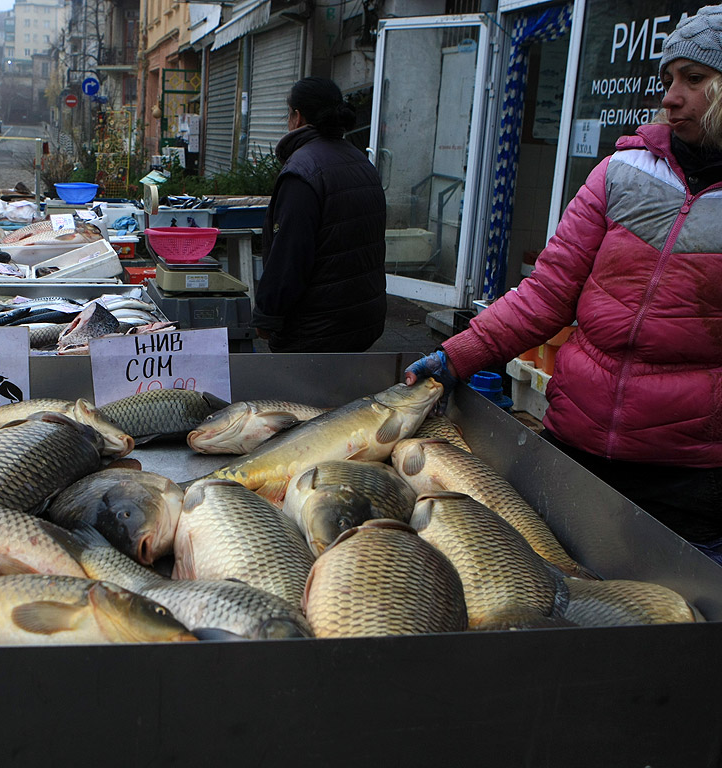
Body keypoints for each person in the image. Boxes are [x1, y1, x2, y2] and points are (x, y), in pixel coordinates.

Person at [406, 3, 722, 562]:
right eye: (669, 79)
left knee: (670, 623)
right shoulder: (622, 173)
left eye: (694, 80)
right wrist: (460, 354)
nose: (671, 96)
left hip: (689, 473)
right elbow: (547, 293)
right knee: (551, 591)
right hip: (576, 442)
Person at [251, 76, 387, 352]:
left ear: (297, 117)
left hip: (315, 329)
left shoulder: (302, 172)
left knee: (303, 396)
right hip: (363, 321)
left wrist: (267, 316)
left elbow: (289, 256)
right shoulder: (361, 163)